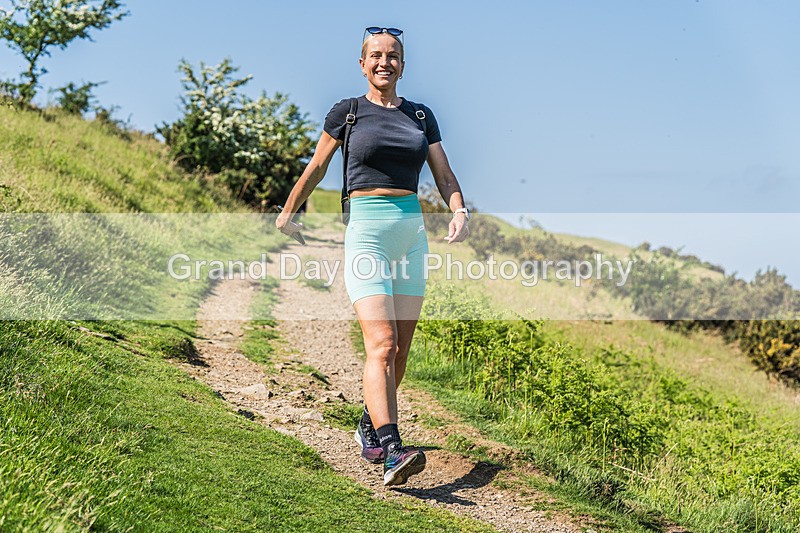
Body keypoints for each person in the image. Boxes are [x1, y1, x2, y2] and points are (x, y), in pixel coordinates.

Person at [276, 26, 469, 486]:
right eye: (376, 55)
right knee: (381, 343)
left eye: (393, 55)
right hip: (366, 232)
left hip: (411, 234)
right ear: (362, 64)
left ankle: (369, 422)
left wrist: (459, 209)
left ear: (403, 65)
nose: (385, 62)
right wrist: (288, 211)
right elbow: (318, 165)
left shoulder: (420, 115)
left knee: (400, 350)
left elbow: (443, 173)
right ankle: (392, 449)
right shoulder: (347, 112)